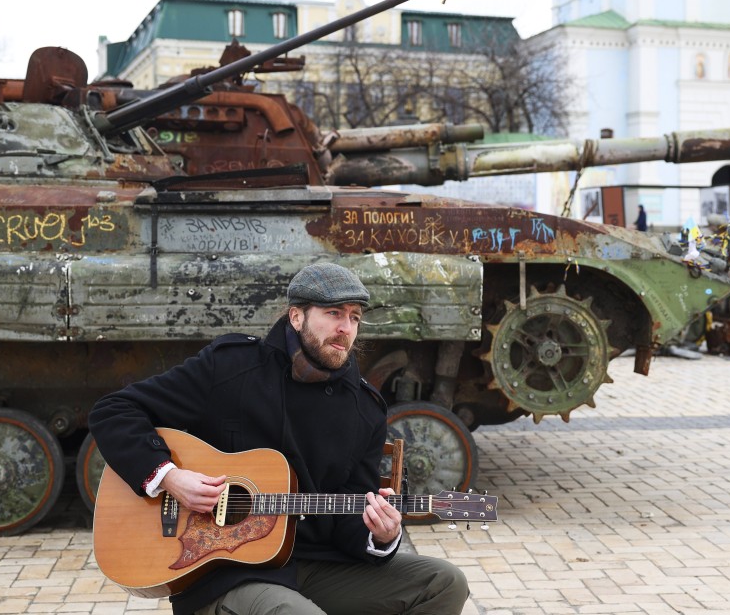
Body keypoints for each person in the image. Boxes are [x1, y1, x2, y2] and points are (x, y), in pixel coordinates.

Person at [89, 262, 469, 615]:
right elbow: (113, 411)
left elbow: (350, 521)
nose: (346, 328)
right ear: (296, 316)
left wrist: (380, 535)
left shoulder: (364, 409)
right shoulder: (232, 367)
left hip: (317, 564)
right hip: (226, 571)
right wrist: (170, 477)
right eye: (334, 313)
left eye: (354, 317)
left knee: (445, 582)